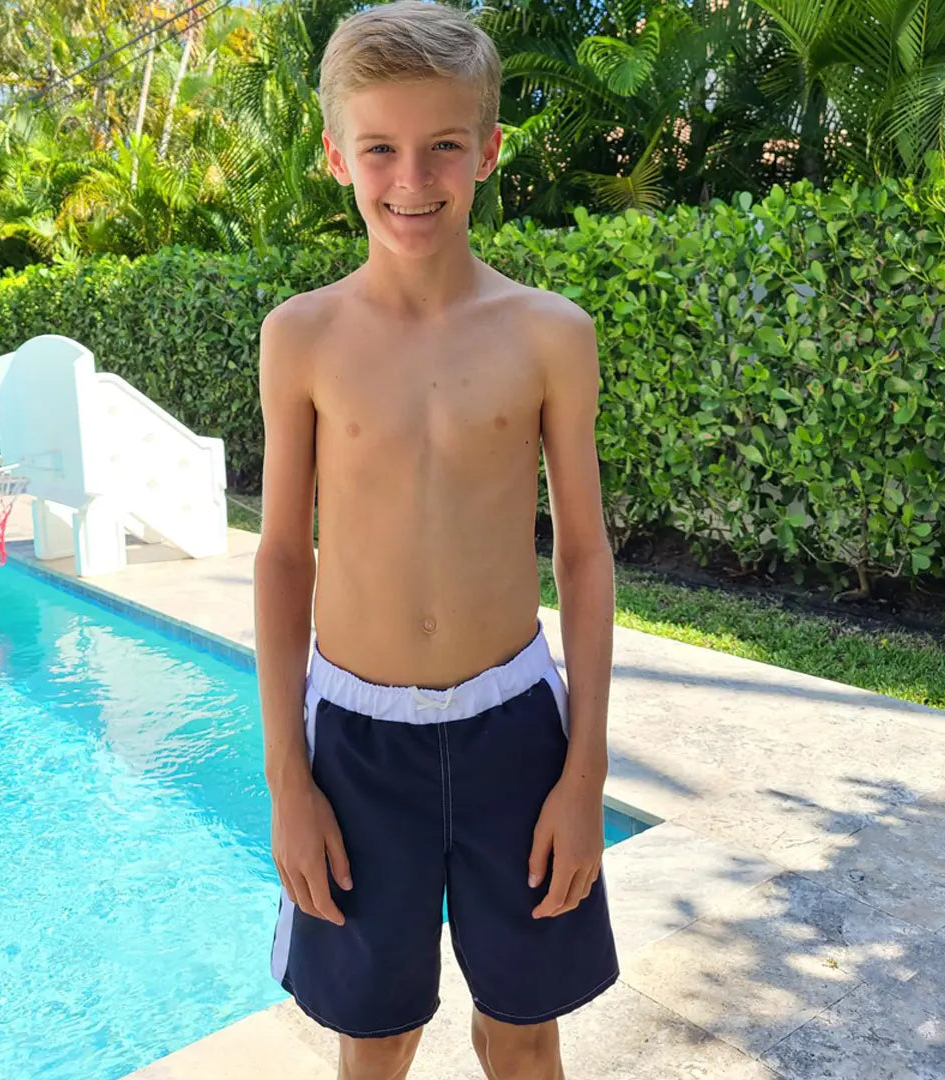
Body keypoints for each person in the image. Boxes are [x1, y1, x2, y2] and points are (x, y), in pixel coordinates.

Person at [253, 3, 619, 1077]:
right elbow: (283, 555)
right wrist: (288, 780)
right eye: (381, 149)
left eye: (443, 146)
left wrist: (584, 769)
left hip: (514, 730)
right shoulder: (303, 336)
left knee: (523, 1030)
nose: (412, 179)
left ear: (489, 150)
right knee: (377, 1038)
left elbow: (586, 553)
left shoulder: (550, 334)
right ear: (336, 158)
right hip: (358, 744)